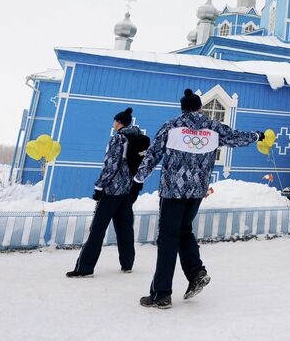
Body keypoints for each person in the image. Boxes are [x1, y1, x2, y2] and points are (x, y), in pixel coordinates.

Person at [132, 89, 262, 309]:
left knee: (168, 239)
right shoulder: (213, 128)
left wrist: (138, 179)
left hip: (173, 192)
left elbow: (153, 154)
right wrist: (258, 136)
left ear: (183, 108)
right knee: (184, 231)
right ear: (200, 107)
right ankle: (196, 273)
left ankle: (161, 294)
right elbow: (236, 138)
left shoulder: (171, 126)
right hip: (196, 193)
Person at [66, 107, 141, 277]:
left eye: (115, 121)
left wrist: (99, 187)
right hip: (127, 190)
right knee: (125, 229)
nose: (113, 124)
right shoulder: (137, 138)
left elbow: (111, 166)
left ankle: (84, 268)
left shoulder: (119, 139)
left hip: (112, 190)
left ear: (119, 122)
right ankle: (127, 263)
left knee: (97, 229)